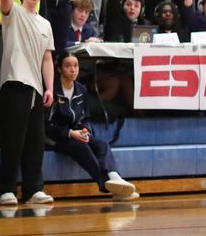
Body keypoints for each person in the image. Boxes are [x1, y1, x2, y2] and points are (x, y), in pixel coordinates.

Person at [0, 0, 55, 206]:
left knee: (34, 142)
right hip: (14, 83)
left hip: (36, 88)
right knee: (12, 139)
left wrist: (50, 87)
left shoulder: (45, 24)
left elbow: (47, 58)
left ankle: (33, 189)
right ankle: (7, 189)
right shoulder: (14, 13)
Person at [45, 55, 138, 200]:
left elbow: (85, 118)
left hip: (77, 133)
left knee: (102, 145)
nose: (73, 70)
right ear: (59, 68)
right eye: (68, 66)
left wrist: (85, 130)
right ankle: (105, 184)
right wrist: (70, 133)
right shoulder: (53, 90)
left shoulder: (81, 90)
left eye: (75, 66)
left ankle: (116, 179)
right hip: (57, 137)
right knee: (81, 147)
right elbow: (46, 125)